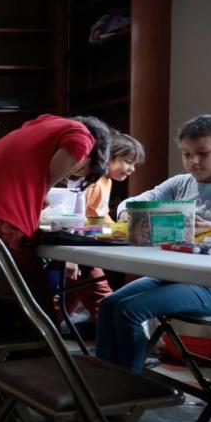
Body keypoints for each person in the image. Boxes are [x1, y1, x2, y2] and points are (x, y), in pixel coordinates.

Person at [0, 114, 111, 320]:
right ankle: (42, 349)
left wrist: (19, 185)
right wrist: (41, 188)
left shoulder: (33, 128)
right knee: (38, 314)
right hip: (2, 226)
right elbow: (78, 144)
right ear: (91, 155)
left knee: (0, 308)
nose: (70, 175)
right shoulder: (80, 133)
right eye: (80, 170)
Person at [97, 115, 211, 372]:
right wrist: (128, 213)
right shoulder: (182, 183)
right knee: (108, 306)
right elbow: (134, 202)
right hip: (174, 275)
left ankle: (128, 389)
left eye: (203, 153)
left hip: (209, 284)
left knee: (128, 311)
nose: (193, 161)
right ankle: (105, 383)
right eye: (187, 154)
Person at [62, 131, 145, 322]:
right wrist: (69, 258)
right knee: (103, 301)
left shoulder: (105, 181)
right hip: (79, 252)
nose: (132, 169)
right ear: (107, 157)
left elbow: (99, 214)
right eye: (127, 161)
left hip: (86, 248)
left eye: (134, 164)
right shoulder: (92, 182)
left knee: (67, 302)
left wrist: (119, 230)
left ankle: (46, 336)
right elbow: (70, 219)